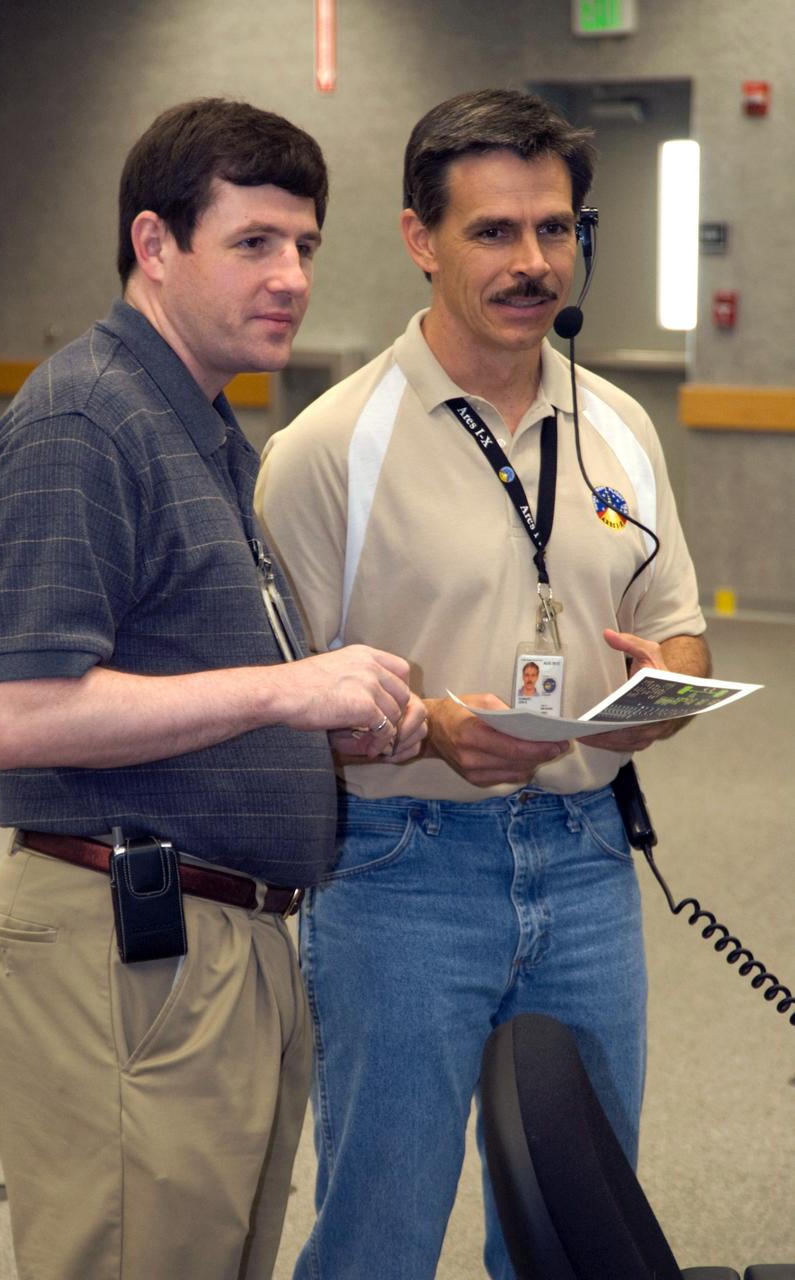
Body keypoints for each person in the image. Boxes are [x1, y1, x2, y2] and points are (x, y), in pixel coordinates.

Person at [255, 88, 711, 1280]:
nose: (532, 262)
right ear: (420, 238)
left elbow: (683, 635)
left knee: (575, 1227)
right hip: (402, 870)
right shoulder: (323, 450)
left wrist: (666, 687)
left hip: (586, 858)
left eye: (554, 229)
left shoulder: (616, 426)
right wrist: (422, 733)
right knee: (379, 1231)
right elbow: (268, 715)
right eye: (493, 232)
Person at [0, 97, 425, 1280]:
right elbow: (21, 715)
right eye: (253, 243)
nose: (289, 277)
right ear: (155, 244)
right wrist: (286, 693)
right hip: (129, 947)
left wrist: (330, 728)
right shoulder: (86, 419)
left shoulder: (204, 427)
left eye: (306, 246)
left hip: (229, 946)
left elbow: (181, 681)